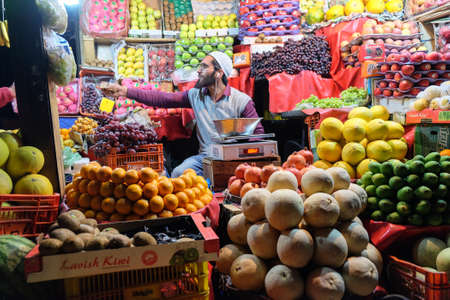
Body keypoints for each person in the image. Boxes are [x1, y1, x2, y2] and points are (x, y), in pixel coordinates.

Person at [102, 51, 264, 177]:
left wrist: (249, 164)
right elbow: (163, 99)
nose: (198, 71)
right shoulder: (196, 95)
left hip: (234, 160)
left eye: (204, 67)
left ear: (218, 73)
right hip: (205, 160)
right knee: (179, 173)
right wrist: (125, 91)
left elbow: (258, 136)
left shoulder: (241, 101)